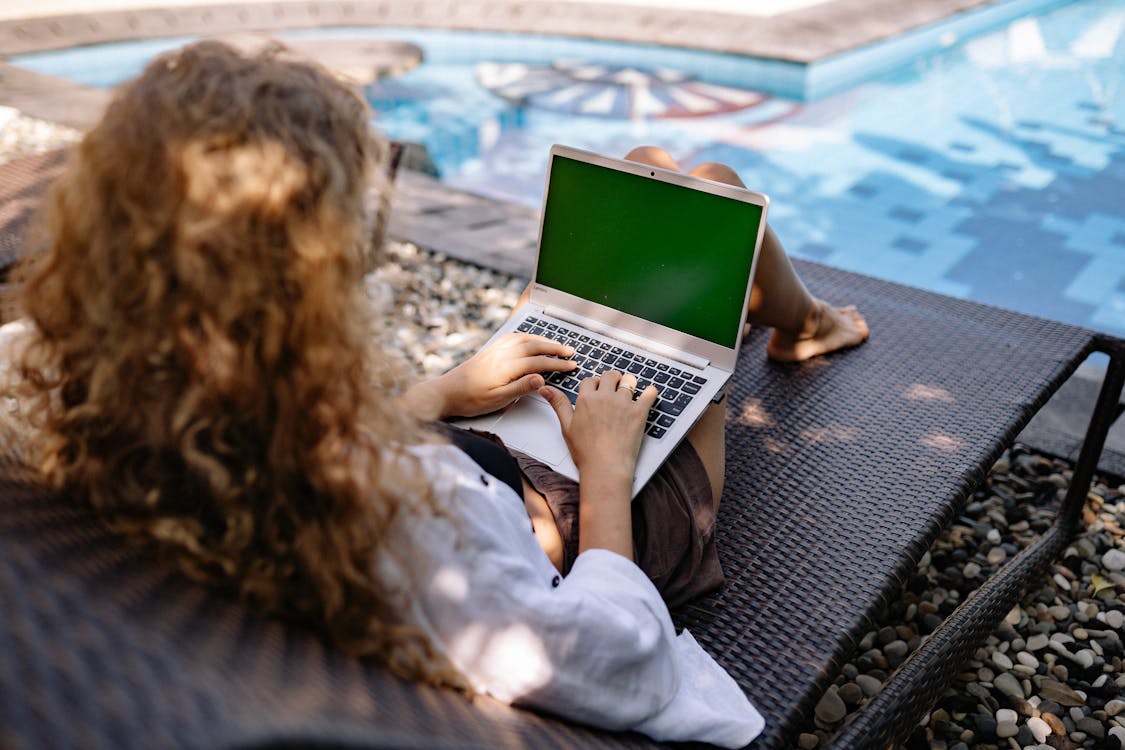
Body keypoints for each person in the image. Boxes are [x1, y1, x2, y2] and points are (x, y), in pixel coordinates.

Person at [1, 41, 867, 747]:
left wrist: (436, 394)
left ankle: (770, 317)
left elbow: (272, 432)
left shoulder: (79, 390)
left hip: (486, 456)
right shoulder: (399, 516)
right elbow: (624, 654)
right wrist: (607, 466)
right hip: (593, 519)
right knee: (711, 190)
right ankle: (803, 325)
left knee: (656, 176)